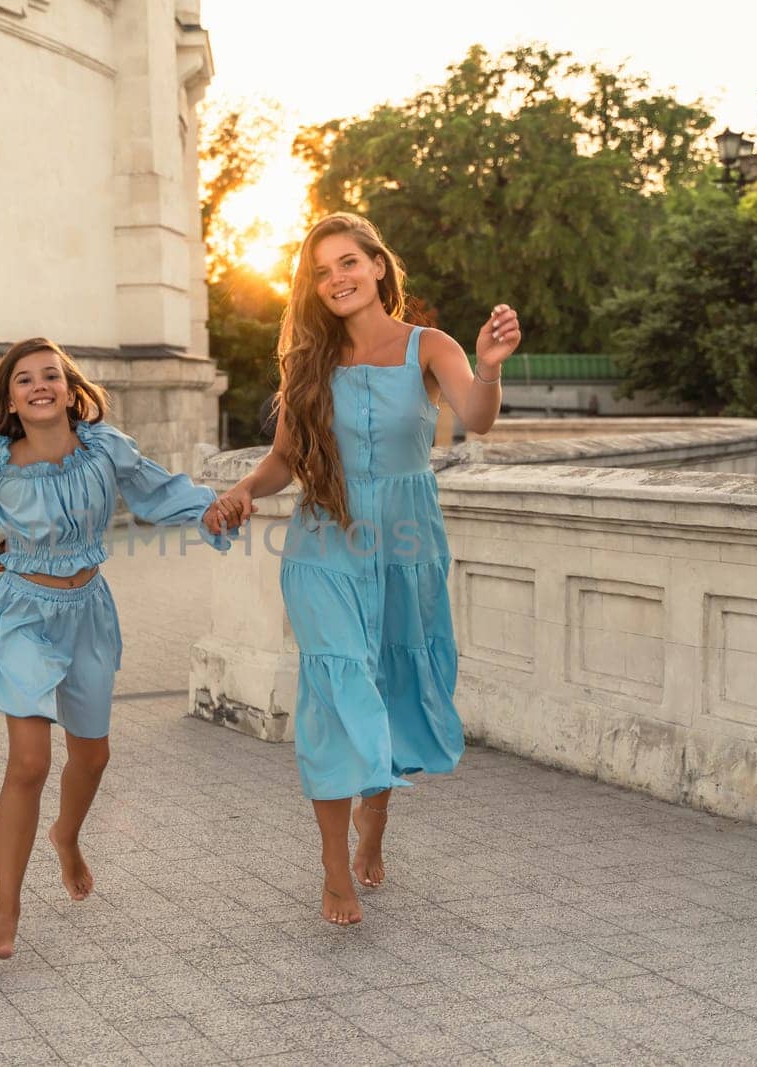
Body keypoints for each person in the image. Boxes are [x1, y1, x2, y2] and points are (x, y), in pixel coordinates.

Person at [204, 213, 521, 926]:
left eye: (349, 262)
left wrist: (492, 365)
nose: (337, 278)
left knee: (388, 685)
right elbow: (284, 461)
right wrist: (242, 492)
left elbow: (478, 414)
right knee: (336, 689)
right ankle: (331, 866)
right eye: (322, 271)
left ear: (379, 266)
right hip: (325, 543)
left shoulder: (427, 347)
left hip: (407, 544)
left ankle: (373, 823)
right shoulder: (306, 364)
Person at [0, 337, 231, 958]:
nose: (39, 385)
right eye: (24, 379)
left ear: (71, 392)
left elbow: (159, 491)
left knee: (92, 758)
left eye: (51, 375)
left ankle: (66, 837)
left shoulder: (104, 449)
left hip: (89, 612)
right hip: (23, 614)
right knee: (29, 764)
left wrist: (219, 508)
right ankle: (5, 910)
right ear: (10, 400)